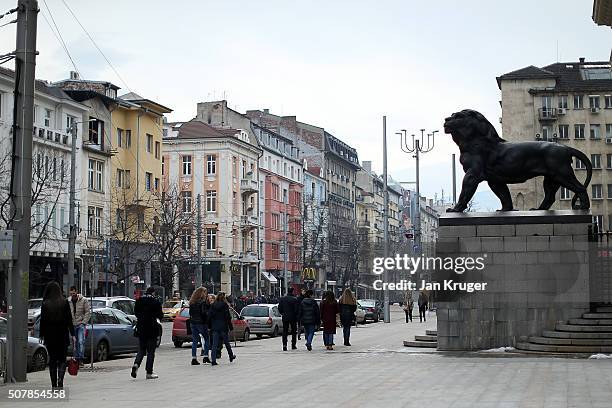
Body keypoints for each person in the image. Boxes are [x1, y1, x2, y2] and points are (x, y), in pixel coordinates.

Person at [39, 281, 75, 388]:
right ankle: (60, 380)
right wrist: (73, 334)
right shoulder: (64, 303)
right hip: (62, 335)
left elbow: (43, 321)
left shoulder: (45, 304)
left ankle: (54, 384)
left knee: (53, 360)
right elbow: (69, 320)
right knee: (62, 359)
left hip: (50, 336)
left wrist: (42, 334)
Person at [131, 287, 163, 379]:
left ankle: (136, 364)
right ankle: (149, 372)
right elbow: (160, 315)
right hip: (152, 328)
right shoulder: (155, 302)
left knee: (141, 349)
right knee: (150, 351)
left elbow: (136, 313)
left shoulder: (139, 301)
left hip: (141, 328)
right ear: (153, 293)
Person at [208, 292, 236, 366]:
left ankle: (213, 360)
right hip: (223, 327)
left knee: (214, 344)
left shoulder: (213, 305)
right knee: (226, 343)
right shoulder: (225, 305)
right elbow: (227, 317)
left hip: (215, 327)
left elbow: (209, 316)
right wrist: (231, 327)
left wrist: (209, 326)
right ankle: (231, 356)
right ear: (224, 298)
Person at [68, 286, 91, 367]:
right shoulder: (69, 301)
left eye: (74, 293)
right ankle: (76, 359)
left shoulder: (83, 300)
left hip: (80, 324)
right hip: (72, 325)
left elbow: (88, 312)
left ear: (76, 292)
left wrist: (84, 323)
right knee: (74, 343)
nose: (72, 295)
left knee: (81, 342)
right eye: (71, 293)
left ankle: (80, 359)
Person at [188, 287, 210, 365]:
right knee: (207, 339)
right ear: (202, 293)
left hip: (193, 323)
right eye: (205, 292)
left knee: (195, 341)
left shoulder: (191, 302)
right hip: (201, 323)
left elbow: (190, 313)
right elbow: (203, 313)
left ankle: (194, 358)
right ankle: (206, 356)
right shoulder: (202, 302)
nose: (206, 294)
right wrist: (207, 320)